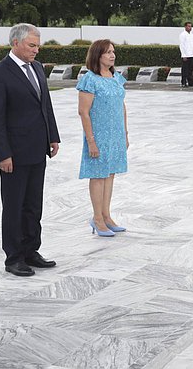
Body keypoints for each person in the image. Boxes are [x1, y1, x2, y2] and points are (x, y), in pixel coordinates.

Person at [0, 23, 60, 276]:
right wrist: (2, 154)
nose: (36, 50)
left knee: (33, 205)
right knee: (14, 206)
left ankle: (30, 250)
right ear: (15, 43)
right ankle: (14, 257)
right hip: (13, 155)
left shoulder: (37, 68)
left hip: (38, 149)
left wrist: (53, 137)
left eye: (38, 45)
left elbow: (44, 105)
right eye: (32, 45)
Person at [77, 39, 129, 237]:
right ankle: (97, 218)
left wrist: (125, 133)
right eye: (108, 52)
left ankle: (106, 216)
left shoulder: (117, 77)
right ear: (97, 55)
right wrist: (91, 140)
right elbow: (83, 112)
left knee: (110, 174)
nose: (112, 55)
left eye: (113, 52)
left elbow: (121, 106)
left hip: (115, 135)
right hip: (98, 135)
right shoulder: (89, 79)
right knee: (98, 175)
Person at [179, 21, 193, 88]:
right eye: (188, 26)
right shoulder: (182, 35)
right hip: (186, 55)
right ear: (185, 27)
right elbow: (182, 45)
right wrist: (183, 55)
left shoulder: (192, 35)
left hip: (192, 54)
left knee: (190, 70)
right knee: (185, 70)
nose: (190, 27)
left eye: (190, 26)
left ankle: (190, 82)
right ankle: (183, 82)